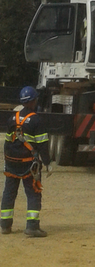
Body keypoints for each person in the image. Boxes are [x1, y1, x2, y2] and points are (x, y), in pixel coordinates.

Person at [2, 85, 53, 237]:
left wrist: (7, 161)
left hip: (11, 162)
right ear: (33, 101)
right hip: (28, 163)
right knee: (33, 193)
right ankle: (32, 226)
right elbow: (42, 145)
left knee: (9, 192)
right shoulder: (37, 120)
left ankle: (5, 225)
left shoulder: (12, 118)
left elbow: (7, 141)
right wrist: (48, 163)